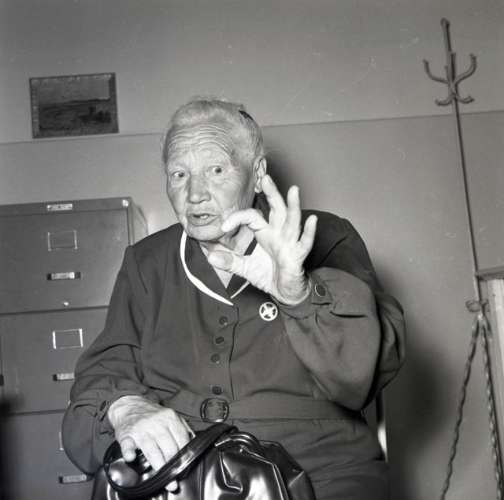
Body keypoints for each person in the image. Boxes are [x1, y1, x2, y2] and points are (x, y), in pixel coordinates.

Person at [62, 98, 405, 500]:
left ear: (257, 174)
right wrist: (126, 407)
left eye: (216, 170)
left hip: (319, 469)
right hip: (185, 471)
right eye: (179, 174)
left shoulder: (323, 237)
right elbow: (106, 367)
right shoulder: (147, 262)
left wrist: (299, 293)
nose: (195, 194)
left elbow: (371, 369)